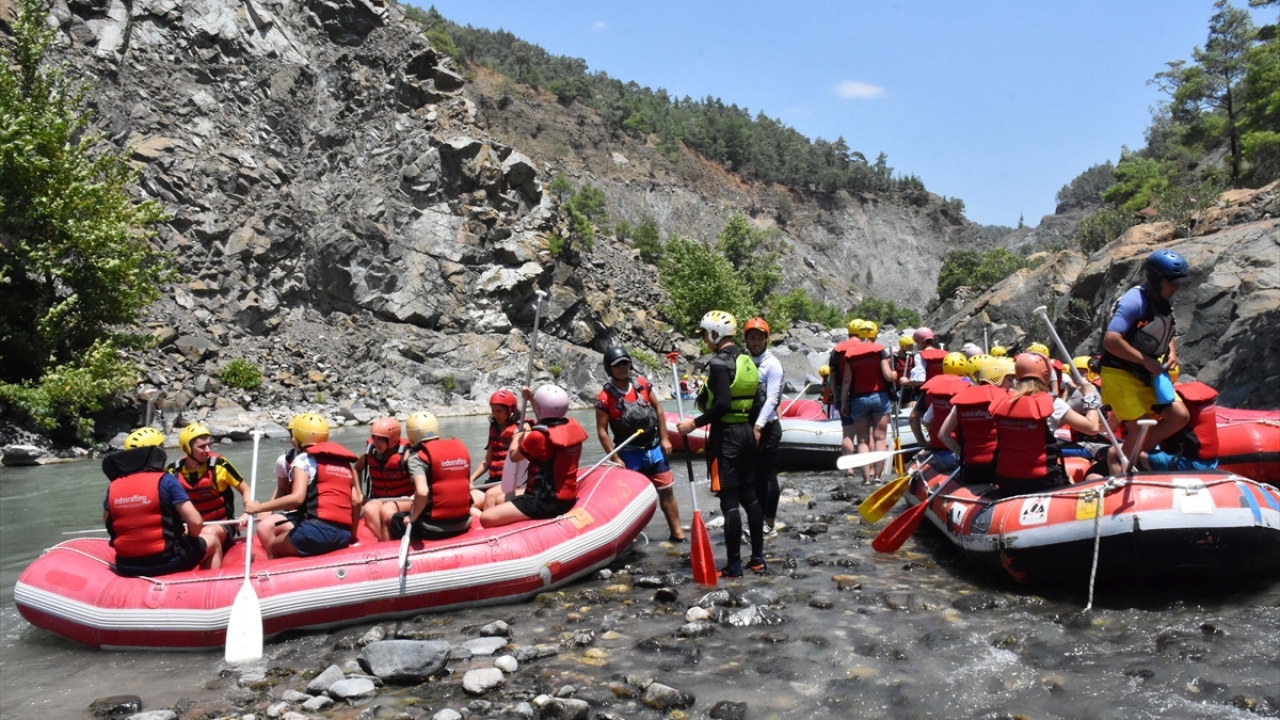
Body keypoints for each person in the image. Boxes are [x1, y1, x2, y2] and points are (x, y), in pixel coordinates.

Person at [676, 310, 765, 578]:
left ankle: (735, 565)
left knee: (729, 500)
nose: (705, 339)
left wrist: (693, 424)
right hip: (747, 433)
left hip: (726, 436)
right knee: (749, 496)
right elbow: (757, 400)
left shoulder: (718, 364)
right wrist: (751, 429)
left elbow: (723, 404)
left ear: (715, 334)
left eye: (705, 334)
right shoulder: (747, 361)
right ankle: (758, 558)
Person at [1100, 249, 1193, 465]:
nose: (1176, 287)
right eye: (1172, 282)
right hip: (1120, 375)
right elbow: (1111, 340)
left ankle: (1124, 454)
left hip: (1149, 375)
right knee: (1140, 428)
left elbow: (1167, 329)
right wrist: (1145, 360)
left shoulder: (1163, 300)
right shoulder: (1133, 301)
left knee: (1180, 416)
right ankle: (1121, 463)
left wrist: (1172, 351)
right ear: (1156, 279)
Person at [595, 346, 685, 542]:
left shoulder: (642, 385)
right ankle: (632, 539)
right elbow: (602, 431)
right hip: (629, 453)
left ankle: (678, 534)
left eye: (625, 363)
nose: (623, 368)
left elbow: (658, 409)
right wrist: (615, 457)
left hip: (654, 448)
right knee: (632, 500)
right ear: (609, 369)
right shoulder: (604, 399)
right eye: (617, 365)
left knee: (667, 491)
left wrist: (665, 438)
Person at [104, 427, 219, 576]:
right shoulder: (166, 480)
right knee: (213, 541)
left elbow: (107, 521)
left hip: (126, 564)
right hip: (167, 561)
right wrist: (189, 539)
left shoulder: (114, 485)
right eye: (162, 448)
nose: (166, 453)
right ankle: (208, 587)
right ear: (154, 452)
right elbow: (196, 522)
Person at [247, 413, 361, 558]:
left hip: (315, 531)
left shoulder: (304, 459)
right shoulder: (344, 463)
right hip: (343, 535)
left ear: (297, 438)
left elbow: (297, 498)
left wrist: (259, 508)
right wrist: (352, 536)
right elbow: (356, 501)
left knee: (274, 547)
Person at [990, 354, 1102, 498]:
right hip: (1042, 481)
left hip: (1006, 480)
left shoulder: (1001, 402)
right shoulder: (1052, 403)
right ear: (1046, 374)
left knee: (1065, 471)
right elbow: (1092, 428)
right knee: (1066, 475)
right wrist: (1089, 395)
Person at [481, 385, 589, 527]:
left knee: (486, 517)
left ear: (540, 408)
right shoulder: (573, 427)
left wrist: (516, 438)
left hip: (542, 501)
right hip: (565, 498)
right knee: (501, 500)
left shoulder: (538, 437)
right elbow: (547, 421)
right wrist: (532, 399)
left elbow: (514, 456)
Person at [168, 422, 250, 565]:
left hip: (221, 524)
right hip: (191, 527)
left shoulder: (220, 464)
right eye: (201, 447)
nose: (207, 449)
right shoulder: (173, 471)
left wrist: (247, 512)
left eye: (208, 445)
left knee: (209, 533)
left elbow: (245, 490)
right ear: (187, 448)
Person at [392, 412, 474, 540]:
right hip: (464, 522)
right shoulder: (459, 449)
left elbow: (423, 492)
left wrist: (412, 517)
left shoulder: (417, 458)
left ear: (411, 434)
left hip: (432, 527)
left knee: (396, 519)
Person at [938, 356, 1012, 486]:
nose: (1012, 384)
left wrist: (962, 454)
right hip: (998, 468)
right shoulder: (1005, 400)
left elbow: (943, 434)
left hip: (971, 469)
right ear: (998, 378)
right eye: (1009, 379)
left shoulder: (961, 401)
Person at [840, 319, 896, 484]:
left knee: (862, 439)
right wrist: (895, 375)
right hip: (879, 397)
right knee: (879, 437)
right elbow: (887, 375)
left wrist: (843, 401)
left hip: (858, 399)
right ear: (874, 334)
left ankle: (865, 479)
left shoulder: (850, 353)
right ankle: (877, 477)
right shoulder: (879, 350)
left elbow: (846, 381)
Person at [743, 319, 784, 535]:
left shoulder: (772, 364)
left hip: (767, 427)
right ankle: (757, 521)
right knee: (755, 476)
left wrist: (758, 426)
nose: (756, 342)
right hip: (750, 427)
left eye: (760, 338)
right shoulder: (744, 361)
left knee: (768, 476)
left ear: (766, 340)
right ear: (746, 340)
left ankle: (769, 523)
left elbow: (772, 398)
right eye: (752, 338)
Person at [909, 352, 971, 471]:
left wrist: (922, 442)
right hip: (959, 451)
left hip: (938, 451)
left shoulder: (933, 390)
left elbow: (915, 417)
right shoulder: (969, 388)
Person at [354, 417, 413, 541]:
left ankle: (390, 545)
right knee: (369, 508)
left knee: (387, 510)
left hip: (406, 500)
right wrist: (359, 494)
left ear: (393, 439)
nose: (376, 442)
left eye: (381, 439)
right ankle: (385, 544)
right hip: (381, 498)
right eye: (374, 437)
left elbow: (422, 477)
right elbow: (356, 469)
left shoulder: (406, 457)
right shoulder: (370, 454)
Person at [1140, 380, 1220, 471]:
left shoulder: (1173, 400)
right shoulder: (1195, 395)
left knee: (1139, 454)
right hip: (1211, 461)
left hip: (1189, 463)